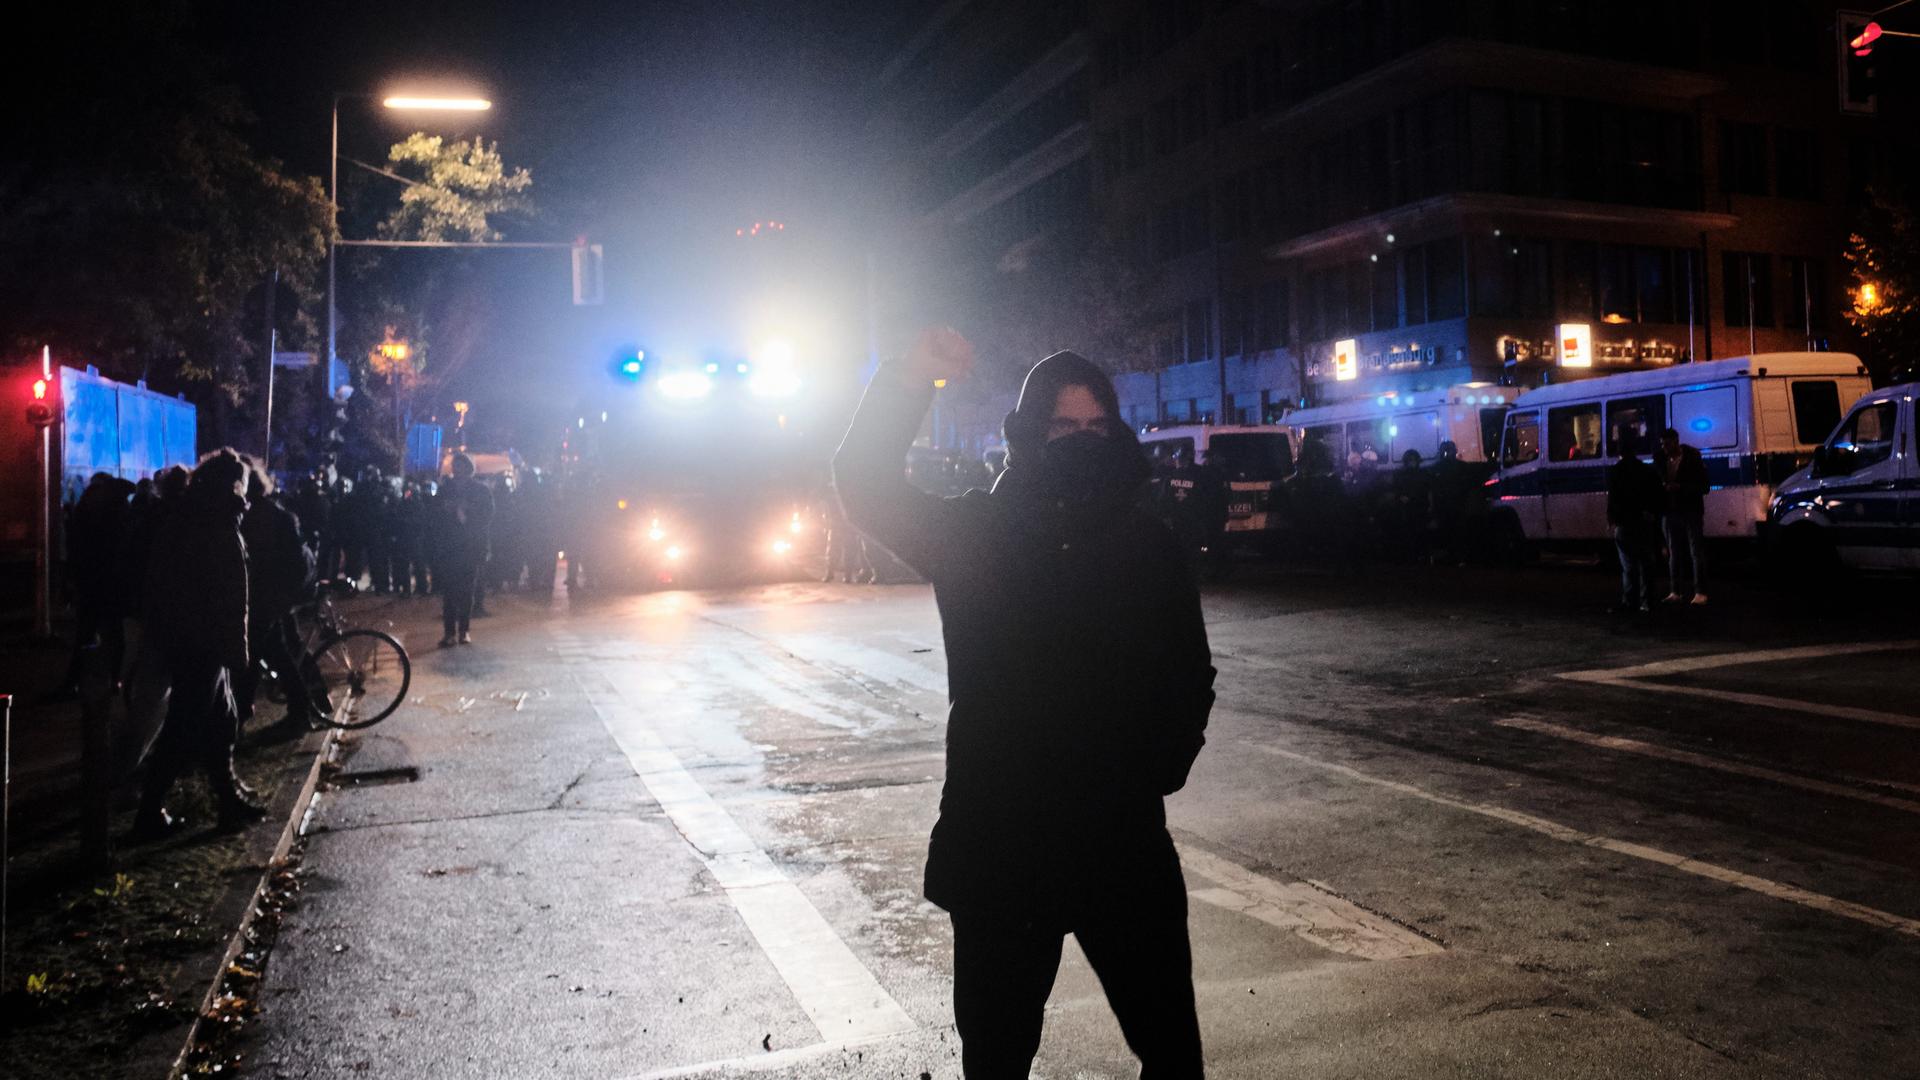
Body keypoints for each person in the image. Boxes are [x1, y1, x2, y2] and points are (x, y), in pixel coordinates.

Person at [835, 330, 1214, 1078]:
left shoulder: (1147, 544)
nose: (1080, 442)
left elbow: (1189, 668)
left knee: (1172, 1051)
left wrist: (1163, 764)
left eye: (1096, 427)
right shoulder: (975, 532)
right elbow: (865, 482)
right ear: (1028, 433)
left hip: (1121, 840)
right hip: (1003, 843)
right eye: (1061, 427)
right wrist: (906, 381)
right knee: (998, 1054)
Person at [132, 449, 263, 839]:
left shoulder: (202, 515)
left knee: (221, 719)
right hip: (198, 639)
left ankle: (226, 801)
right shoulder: (208, 519)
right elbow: (209, 587)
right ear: (230, 483)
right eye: (239, 481)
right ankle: (149, 810)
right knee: (185, 726)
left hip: (201, 637)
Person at [233, 459, 316, 728]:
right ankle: (301, 709)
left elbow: (257, 562)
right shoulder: (273, 512)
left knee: (255, 658)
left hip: (262, 599)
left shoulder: (255, 516)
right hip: (273, 598)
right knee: (275, 654)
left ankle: (243, 715)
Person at [61, 471, 136, 693]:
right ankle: (110, 679)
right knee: (112, 635)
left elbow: (84, 551)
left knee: (89, 634)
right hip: (110, 586)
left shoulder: (98, 515)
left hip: (97, 585)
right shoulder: (121, 517)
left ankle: (79, 680)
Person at [432, 453, 493, 646]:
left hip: (470, 546)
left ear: (469, 469)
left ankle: (464, 630)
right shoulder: (445, 489)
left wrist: (468, 510)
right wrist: (446, 509)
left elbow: (487, 516)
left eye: (461, 467)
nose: (458, 471)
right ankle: (449, 632)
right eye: (455, 467)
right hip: (449, 547)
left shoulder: (481, 490)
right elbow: (434, 516)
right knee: (449, 591)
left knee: (467, 590)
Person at [1606, 450, 1665, 613]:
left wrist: (1611, 519)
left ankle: (1630, 601)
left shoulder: (1616, 471)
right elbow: (1658, 494)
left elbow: (1612, 498)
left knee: (1628, 565)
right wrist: (1651, 513)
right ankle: (1647, 602)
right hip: (1643, 522)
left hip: (1624, 523)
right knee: (1646, 564)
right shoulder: (1646, 470)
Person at [1656, 427, 1710, 604]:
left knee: (1695, 552)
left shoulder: (1693, 457)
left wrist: (1679, 488)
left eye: (1667, 444)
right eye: (1662, 444)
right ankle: (1676, 591)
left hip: (1690, 510)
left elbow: (1704, 486)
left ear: (1676, 441)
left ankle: (1699, 591)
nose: (1664, 448)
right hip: (1671, 511)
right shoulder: (1661, 459)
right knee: (1675, 553)